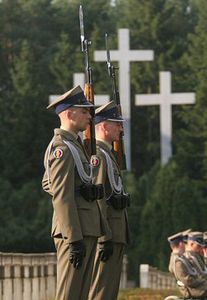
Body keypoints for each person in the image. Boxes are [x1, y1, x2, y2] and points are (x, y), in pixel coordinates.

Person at [42, 86, 105, 300]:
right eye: (85, 111)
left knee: (80, 293)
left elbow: (49, 183)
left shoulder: (75, 146)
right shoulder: (62, 148)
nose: (90, 116)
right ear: (70, 114)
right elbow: (61, 195)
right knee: (70, 293)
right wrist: (73, 237)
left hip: (85, 226)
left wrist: (82, 190)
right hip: (75, 230)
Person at [88, 101, 130, 300]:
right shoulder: (98, 156)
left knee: (110, 291)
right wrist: (104, 237)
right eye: (117, 124)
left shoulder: (107, 154)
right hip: (108, 233)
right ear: (104, 126)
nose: (121, 129)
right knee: (101, 291)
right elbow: (99, 199)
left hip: (115, 232)